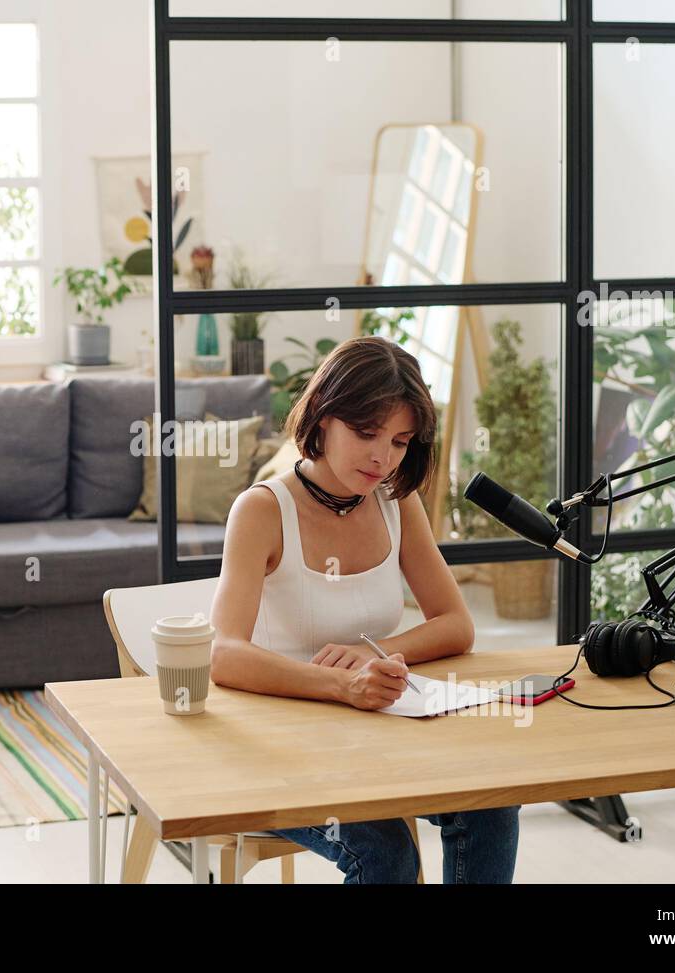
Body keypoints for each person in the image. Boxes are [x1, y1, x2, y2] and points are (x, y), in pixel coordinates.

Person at [209, 335, 520, 883]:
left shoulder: (396, 503)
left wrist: (369, 654)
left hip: (374, 734)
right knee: (385, 850)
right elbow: (223, 653)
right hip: (277, 749)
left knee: (492, 801)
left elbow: (456, 625)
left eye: (400, 441)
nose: (383, 457)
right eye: (367, 433)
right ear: (324, 417)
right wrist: (339, 686)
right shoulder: (262, 510)